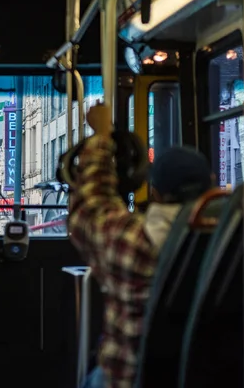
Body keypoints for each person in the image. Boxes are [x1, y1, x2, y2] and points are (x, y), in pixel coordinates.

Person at [67, 104, 214, 388]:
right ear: (211, 183)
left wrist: (101, 136)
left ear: (155, 192)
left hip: (130, 377)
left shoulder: (132, 242)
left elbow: (89, 206)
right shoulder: (233, 241)